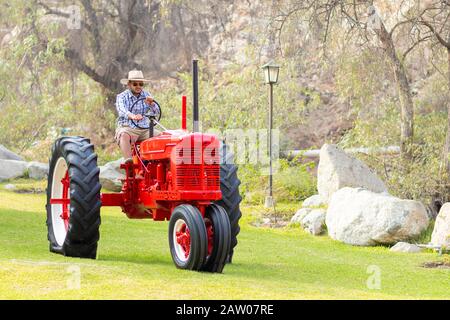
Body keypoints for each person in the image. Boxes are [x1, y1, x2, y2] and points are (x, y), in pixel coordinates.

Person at [114, 70, 160, 162]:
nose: (138, 86)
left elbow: (156, 112)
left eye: (140, 84)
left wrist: (152, 104)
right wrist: (132, 115)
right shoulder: (122, 96)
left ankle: (158, 162)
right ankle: (129, 162)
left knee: (162, 136)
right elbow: (121, 110)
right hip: (128, 127)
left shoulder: (146, 95)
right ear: (129, 84)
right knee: (123, 135)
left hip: (145, 129)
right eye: (135, 84)